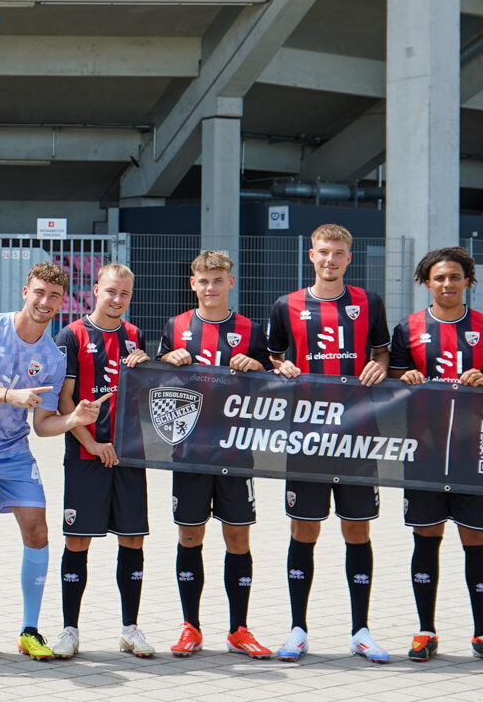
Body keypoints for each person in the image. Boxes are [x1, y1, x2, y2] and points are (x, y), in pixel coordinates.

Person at [267, 223, 393, 664]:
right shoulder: (287, 305)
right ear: (311, 255)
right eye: (323, 252)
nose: (330, 259)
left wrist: (380, 366)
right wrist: (279, 367)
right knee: (304, 528)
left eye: (339, 253)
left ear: (349, 258)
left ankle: (361, 630)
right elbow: (275, 357)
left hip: (359, 434)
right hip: (307, 434)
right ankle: (298, 628)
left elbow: (382, 353)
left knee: (357, 529)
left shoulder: (369, 302)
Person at [0, 262, 84, 661]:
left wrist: (73, 420)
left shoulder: (53, 357)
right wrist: (8, 395)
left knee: (38, 531)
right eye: (39, 292)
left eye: (54, 296)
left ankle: (30, 629)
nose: (45, 302)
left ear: (62, 303)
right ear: (25, 291)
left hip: (13, 452)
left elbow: (43, 425)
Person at [387, 246, 483, 665]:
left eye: (454, 277)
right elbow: (392, 386)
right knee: (427, 536)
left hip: (474, 450)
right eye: (438, 278)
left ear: (467, 282)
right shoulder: (407, 329)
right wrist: (403, 377)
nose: (447, 284)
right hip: (424, 449)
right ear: (427, 282)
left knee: (477, 538)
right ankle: (426, 630)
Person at [155, 250, 270, 659]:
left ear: (230, 283)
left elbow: (271, 384)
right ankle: (191, 626)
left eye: (218, 280)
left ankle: (239, 629)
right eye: (203, 281)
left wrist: (256, 366)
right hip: (189, 450)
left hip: (237, 450)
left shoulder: (251, 329)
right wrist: (166, 358)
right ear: (193, 284)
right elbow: (160, 382)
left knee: (237, 537)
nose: (210, 287)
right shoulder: (176, 326)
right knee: (190, 535)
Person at [51, 263, 154, 659]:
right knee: (77, 539)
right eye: (111, 291)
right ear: (96, 289)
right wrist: (92, 444)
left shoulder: (135, 337)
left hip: (129, 455)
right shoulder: (72, 335)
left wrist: (148, 365)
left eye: (125, 293)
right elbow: (65, 402)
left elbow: (149, 394)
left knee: (133, 537)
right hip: (86, 454)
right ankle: (70, 630)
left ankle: (129, 628)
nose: (117, 299)